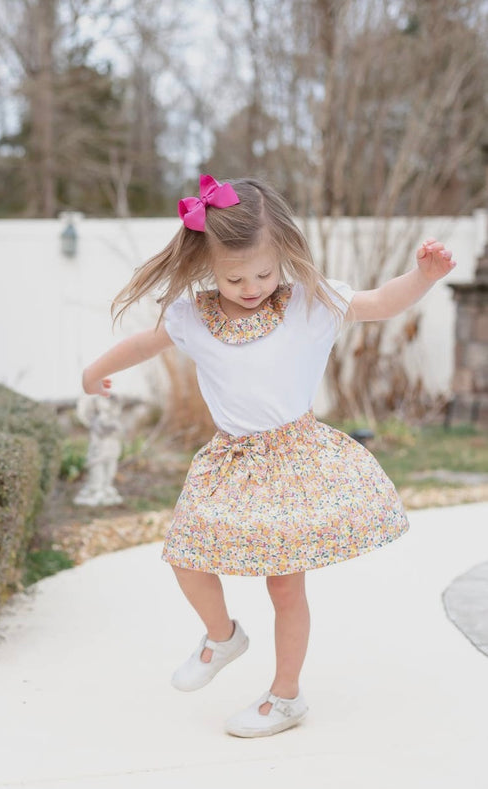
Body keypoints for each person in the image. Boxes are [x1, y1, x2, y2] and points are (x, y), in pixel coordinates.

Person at [82, 174, 456, 738]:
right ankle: (223, 635)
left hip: (292, 459)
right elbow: (144, 342)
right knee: (186, 553)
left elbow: (380, 302)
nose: (251, 286)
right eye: (233, 277)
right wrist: (95, 371)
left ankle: (286, 696)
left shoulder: (312, 302)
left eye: (263, 272)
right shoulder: (192, 315)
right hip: (229, 462)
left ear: (284, 253)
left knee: (285, 586)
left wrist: (422, 277)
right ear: (208, 264)